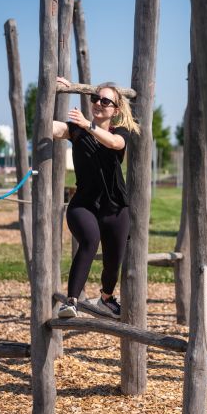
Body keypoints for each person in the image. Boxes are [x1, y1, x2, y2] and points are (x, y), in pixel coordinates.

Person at [53, 77, 139, 319]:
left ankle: (106, 298)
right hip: (84, 205)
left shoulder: (121, 131)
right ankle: (71, 302)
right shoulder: (76, 129)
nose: (98, 103)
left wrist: (89, 126)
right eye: (95, 98)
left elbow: (114, 143)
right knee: (90, 240)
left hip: (114, 208)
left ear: (116, 109)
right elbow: (50, 126)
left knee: (114, 259)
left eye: (105, 100)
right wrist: (53, 90)